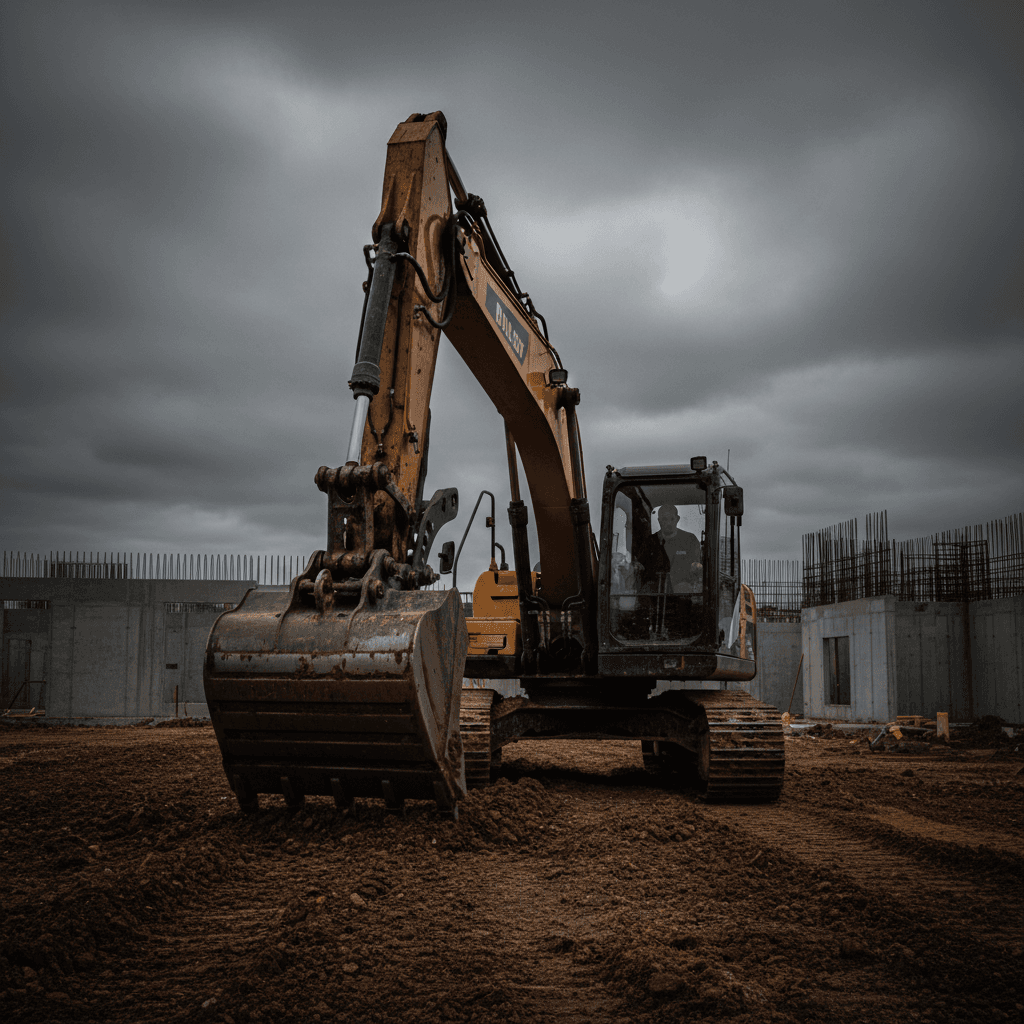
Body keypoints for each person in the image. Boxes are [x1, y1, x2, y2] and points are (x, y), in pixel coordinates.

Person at [639, 505, 702, 594]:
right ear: (659, 520)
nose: (668, 523)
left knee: (683, 588)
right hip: (654, 592)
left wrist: (695, 567)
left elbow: (697, 566)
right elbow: (640, 567)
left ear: (678, 519)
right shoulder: (649, 542)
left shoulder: (690, 540)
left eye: (672, 519)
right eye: (664, 519)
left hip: (682, 592)